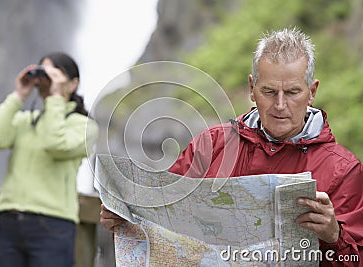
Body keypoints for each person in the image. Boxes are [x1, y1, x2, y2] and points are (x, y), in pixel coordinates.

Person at [99, 28, 363, 266]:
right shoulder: (210, 145)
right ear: (252, 88)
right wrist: (125, 217)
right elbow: (162, 215)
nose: (280, 105)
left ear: (312, 91)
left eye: (293, 92)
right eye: (269, 92)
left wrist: (334, 236)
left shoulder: (344, 170)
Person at [0, 52, 98, 267]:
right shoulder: (26, 121)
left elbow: (55, 144)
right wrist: (19, 95)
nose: (47, 79)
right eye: (44, 72)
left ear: (73, 84)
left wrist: (55, 98)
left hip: (53, 225)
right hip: (10, 224)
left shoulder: (84, 127)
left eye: (55, 73)